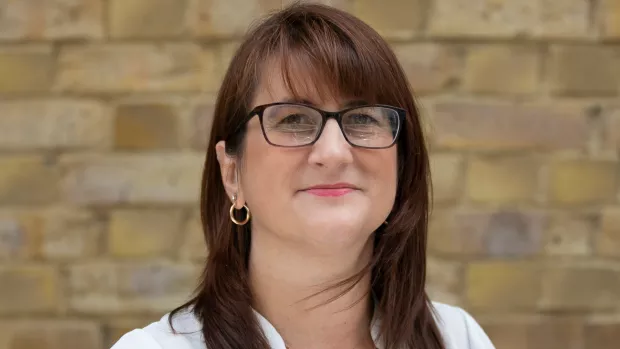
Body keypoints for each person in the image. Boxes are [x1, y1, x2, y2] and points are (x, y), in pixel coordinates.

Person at [111, 2, 495, 349]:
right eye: (293, 119)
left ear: (401, 162)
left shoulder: (457, 338)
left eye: (362, 118)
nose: (333, 153)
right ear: (232, 173)